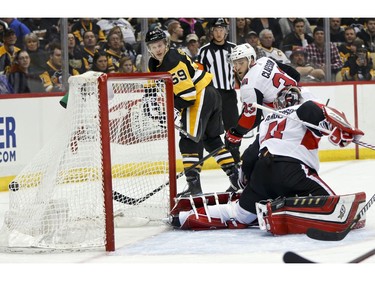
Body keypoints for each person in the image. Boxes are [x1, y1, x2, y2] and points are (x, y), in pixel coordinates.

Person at [167, 86, 365, 235]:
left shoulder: (267, 121)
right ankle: (281, 209)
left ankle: (182, 218)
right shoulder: (303, 109)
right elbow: (315, 111)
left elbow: (250, 157)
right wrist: (345, 130)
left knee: (239, 214)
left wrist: (247, 185)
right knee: (334, 206)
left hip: (262, 173)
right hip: (293, 171)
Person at [145, 28, 240, 196]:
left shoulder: (171, 61)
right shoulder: (157, 62)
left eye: (160, 45)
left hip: (199, 96)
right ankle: (236, 179)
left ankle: (194, 187)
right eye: (153, 47)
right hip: (210, 93)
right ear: (149, 49)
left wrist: (171, 110)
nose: (157, 49)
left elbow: (187, 96)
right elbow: (154, 82)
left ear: (165, 44)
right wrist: (149, 97)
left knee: (188, 141)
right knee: (211, 141)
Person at [222, 43, 302, 192]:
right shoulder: (265, 61)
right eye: (235, 63)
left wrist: (235, 133)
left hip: (285, 124)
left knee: (251, 158)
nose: (237, 67)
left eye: (241, 62)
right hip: (299, 110)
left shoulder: (249, 84)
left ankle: (245, 189)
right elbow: (294, 75)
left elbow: (251, 118)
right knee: (261, 156)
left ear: (251, 60)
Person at [197, 18, 240, 164]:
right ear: (211, 32)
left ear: (226, 32)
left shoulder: (234, 48)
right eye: (216, 30)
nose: (219, 33)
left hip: (229, 95)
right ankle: (225, 163)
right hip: (212, 96)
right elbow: (200, 74)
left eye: (221, 30)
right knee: (211, 131)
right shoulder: (204, 51)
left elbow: (240, 71)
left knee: (233, 130)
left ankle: (236, 163)